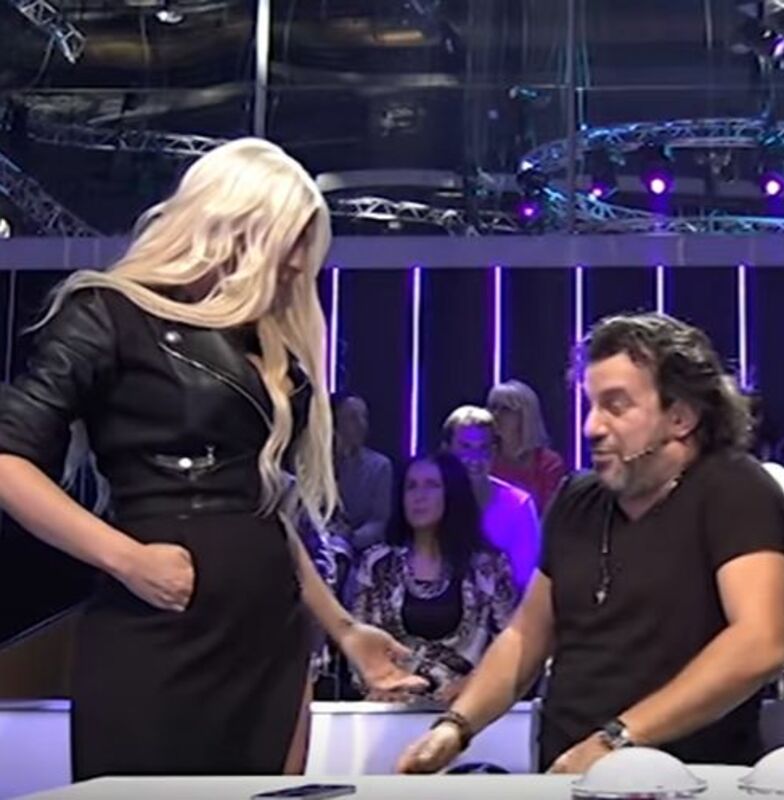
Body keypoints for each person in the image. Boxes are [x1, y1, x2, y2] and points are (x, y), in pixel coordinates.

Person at [0, 138, 422, 780]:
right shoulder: (110, 313)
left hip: (270, 635)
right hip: (158, 628)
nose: (296, 267)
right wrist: (127, 558)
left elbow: (264, 509)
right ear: (233, 224)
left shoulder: (265, 343)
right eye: (287, 244)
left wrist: (343, 629)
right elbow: (9, 463)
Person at [394, 312, 784, 774]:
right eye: (590, 405)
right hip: (565, 772)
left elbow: (759, 643)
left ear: (680, 417)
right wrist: (455, 727)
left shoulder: (736, 489)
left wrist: (615, 740)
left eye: (615, 406)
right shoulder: (576, 497)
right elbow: (526, 635)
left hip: (686, 779)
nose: (591, 427)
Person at [348, 453, 518, 707]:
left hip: (469, 708)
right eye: (411, 486)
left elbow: (510, 644)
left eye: (432, 485)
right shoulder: (377, 564)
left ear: (453, 494)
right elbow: (358, 641)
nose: (419, 496)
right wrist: (380, 684)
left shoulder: (488, 567)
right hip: (390, 707)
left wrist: (473, 684)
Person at [442, 405, 541, 592]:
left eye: (483, 448)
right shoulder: (429, 498)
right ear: (446, 449)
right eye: (465, 447)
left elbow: (526, 581)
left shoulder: (518, 505)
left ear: (494, 452)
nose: (475, 458)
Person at [486, 379, 568, 514]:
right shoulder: (485, 458)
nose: (495, 415)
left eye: (505, 409)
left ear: (525, 416)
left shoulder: (548, 464)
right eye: (492, 407)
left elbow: (551, 516)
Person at [330, 392, 394, 554]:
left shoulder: (379, 466)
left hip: (362, 553)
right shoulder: (312, 464)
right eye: (352, 417)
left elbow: (379, 521)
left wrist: (349, 540)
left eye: (364, 417)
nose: (361, 424)